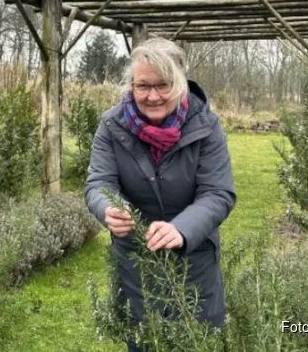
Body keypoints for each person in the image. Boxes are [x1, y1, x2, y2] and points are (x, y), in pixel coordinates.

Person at [84, 38, 236, 352]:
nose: (152, 96)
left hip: (195, 260)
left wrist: (182, 229)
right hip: (135, 259)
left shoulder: (206, 127)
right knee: (143, 340)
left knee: (196, 340)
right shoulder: (112, 126)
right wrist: (107, 208)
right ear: (131, 85)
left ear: (180, 83)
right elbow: (99, 182)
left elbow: (217, 193)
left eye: (163, 85)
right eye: (143, 86)